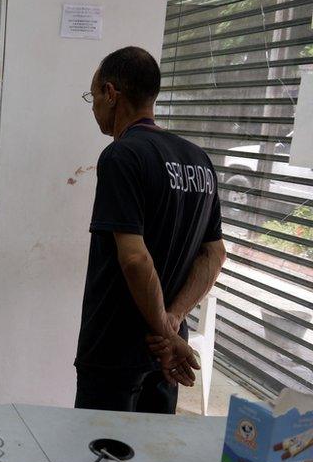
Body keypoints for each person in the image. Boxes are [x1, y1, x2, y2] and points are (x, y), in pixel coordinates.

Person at [75, 46, 227, 414]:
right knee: (148, 457)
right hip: (165, 353)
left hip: (116, 350)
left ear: (111, 94)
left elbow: (134, 258)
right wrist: (173, 323)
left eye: (93, 96)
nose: (93, 105)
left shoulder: (121, 157)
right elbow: (214, 253)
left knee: (101, 457)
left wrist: (164, 330)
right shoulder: (199, 160)